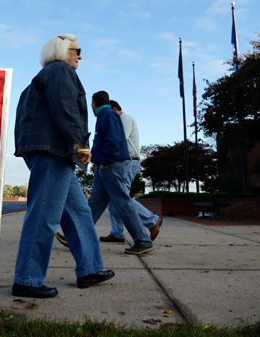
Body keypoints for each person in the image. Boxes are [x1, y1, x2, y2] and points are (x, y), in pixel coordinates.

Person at [12, 34, 115, 299]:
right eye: (76, 50)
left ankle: (90, 269)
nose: (80, 55)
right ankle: (28, 278)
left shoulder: (43, 76)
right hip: (54, 151)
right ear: (60, 50)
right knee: (44, 214)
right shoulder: (60, 71)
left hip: (50, 150)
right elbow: (66, 109)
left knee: (79, 212)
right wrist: (79, 145)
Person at [86, 91, 153, 255]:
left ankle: (143, 241)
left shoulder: (107, 115)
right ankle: (77, 235)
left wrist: (105, 161)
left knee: (123, 203)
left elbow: (114, 141)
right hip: (106, 167)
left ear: (94, 103)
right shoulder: (107, 116)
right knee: (94, 204)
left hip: (111, 166)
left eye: (91, 105)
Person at [98, 100, 163, 244]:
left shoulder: (124, 118)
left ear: (114, 109)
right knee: (114, 199)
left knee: (122, 198)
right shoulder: (119, 119)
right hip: (122, 162)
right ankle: (117, 233)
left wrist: (105, 158)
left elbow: (119, 140)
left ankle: (152, 220)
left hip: (127, 162)